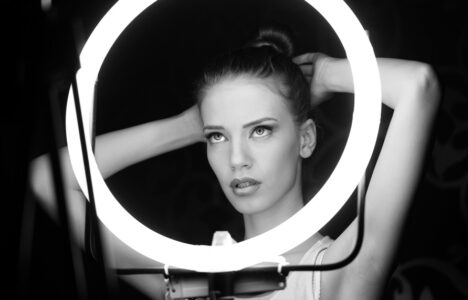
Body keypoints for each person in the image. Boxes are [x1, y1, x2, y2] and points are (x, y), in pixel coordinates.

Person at [29, 26, 441, 300]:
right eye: (218, 137)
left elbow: (418, 86)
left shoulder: (339, 271)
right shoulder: (194, 277)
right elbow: (48, 177)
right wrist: (189, 125)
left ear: (306, 138)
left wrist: (330, 74)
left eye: (260, 130)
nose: (237, 159)